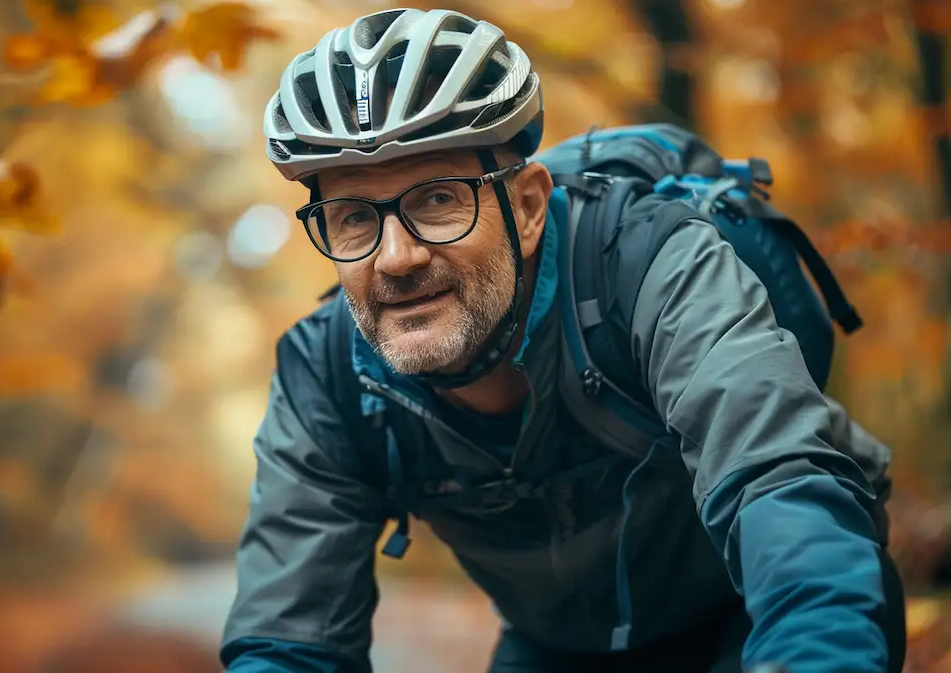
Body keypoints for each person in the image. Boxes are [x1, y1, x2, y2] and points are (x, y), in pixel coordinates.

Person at [220, 8, 906, 673]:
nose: (395, 257)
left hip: (758, 608)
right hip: (563, 646)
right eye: (352, 218)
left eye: (437, 199)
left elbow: (780, 481)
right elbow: (289, 638)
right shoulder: (326, 375)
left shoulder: (647, 267)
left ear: (525, 207)